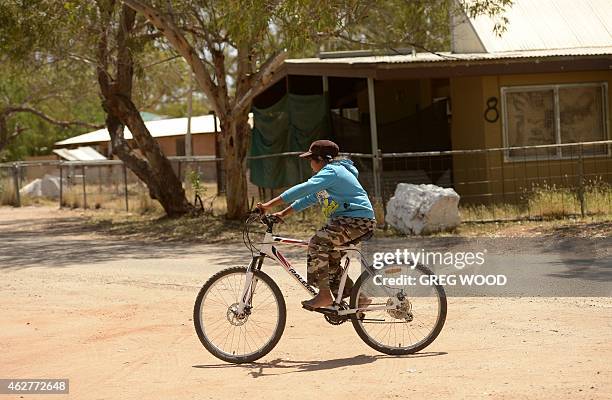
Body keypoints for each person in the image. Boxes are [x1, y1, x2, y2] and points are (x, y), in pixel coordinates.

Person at [256, 139, 376, 309]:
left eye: (311, 159)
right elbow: (308, 198)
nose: (310, 164)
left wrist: (268, 205)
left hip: (355, 221)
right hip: (352, 222)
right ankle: (359, 299)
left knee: (317, 243)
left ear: (321, 159)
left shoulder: (332, 172)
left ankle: (324, 295)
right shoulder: (329, 177)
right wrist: (282, 213)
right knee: (329, 261)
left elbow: (304, 188)